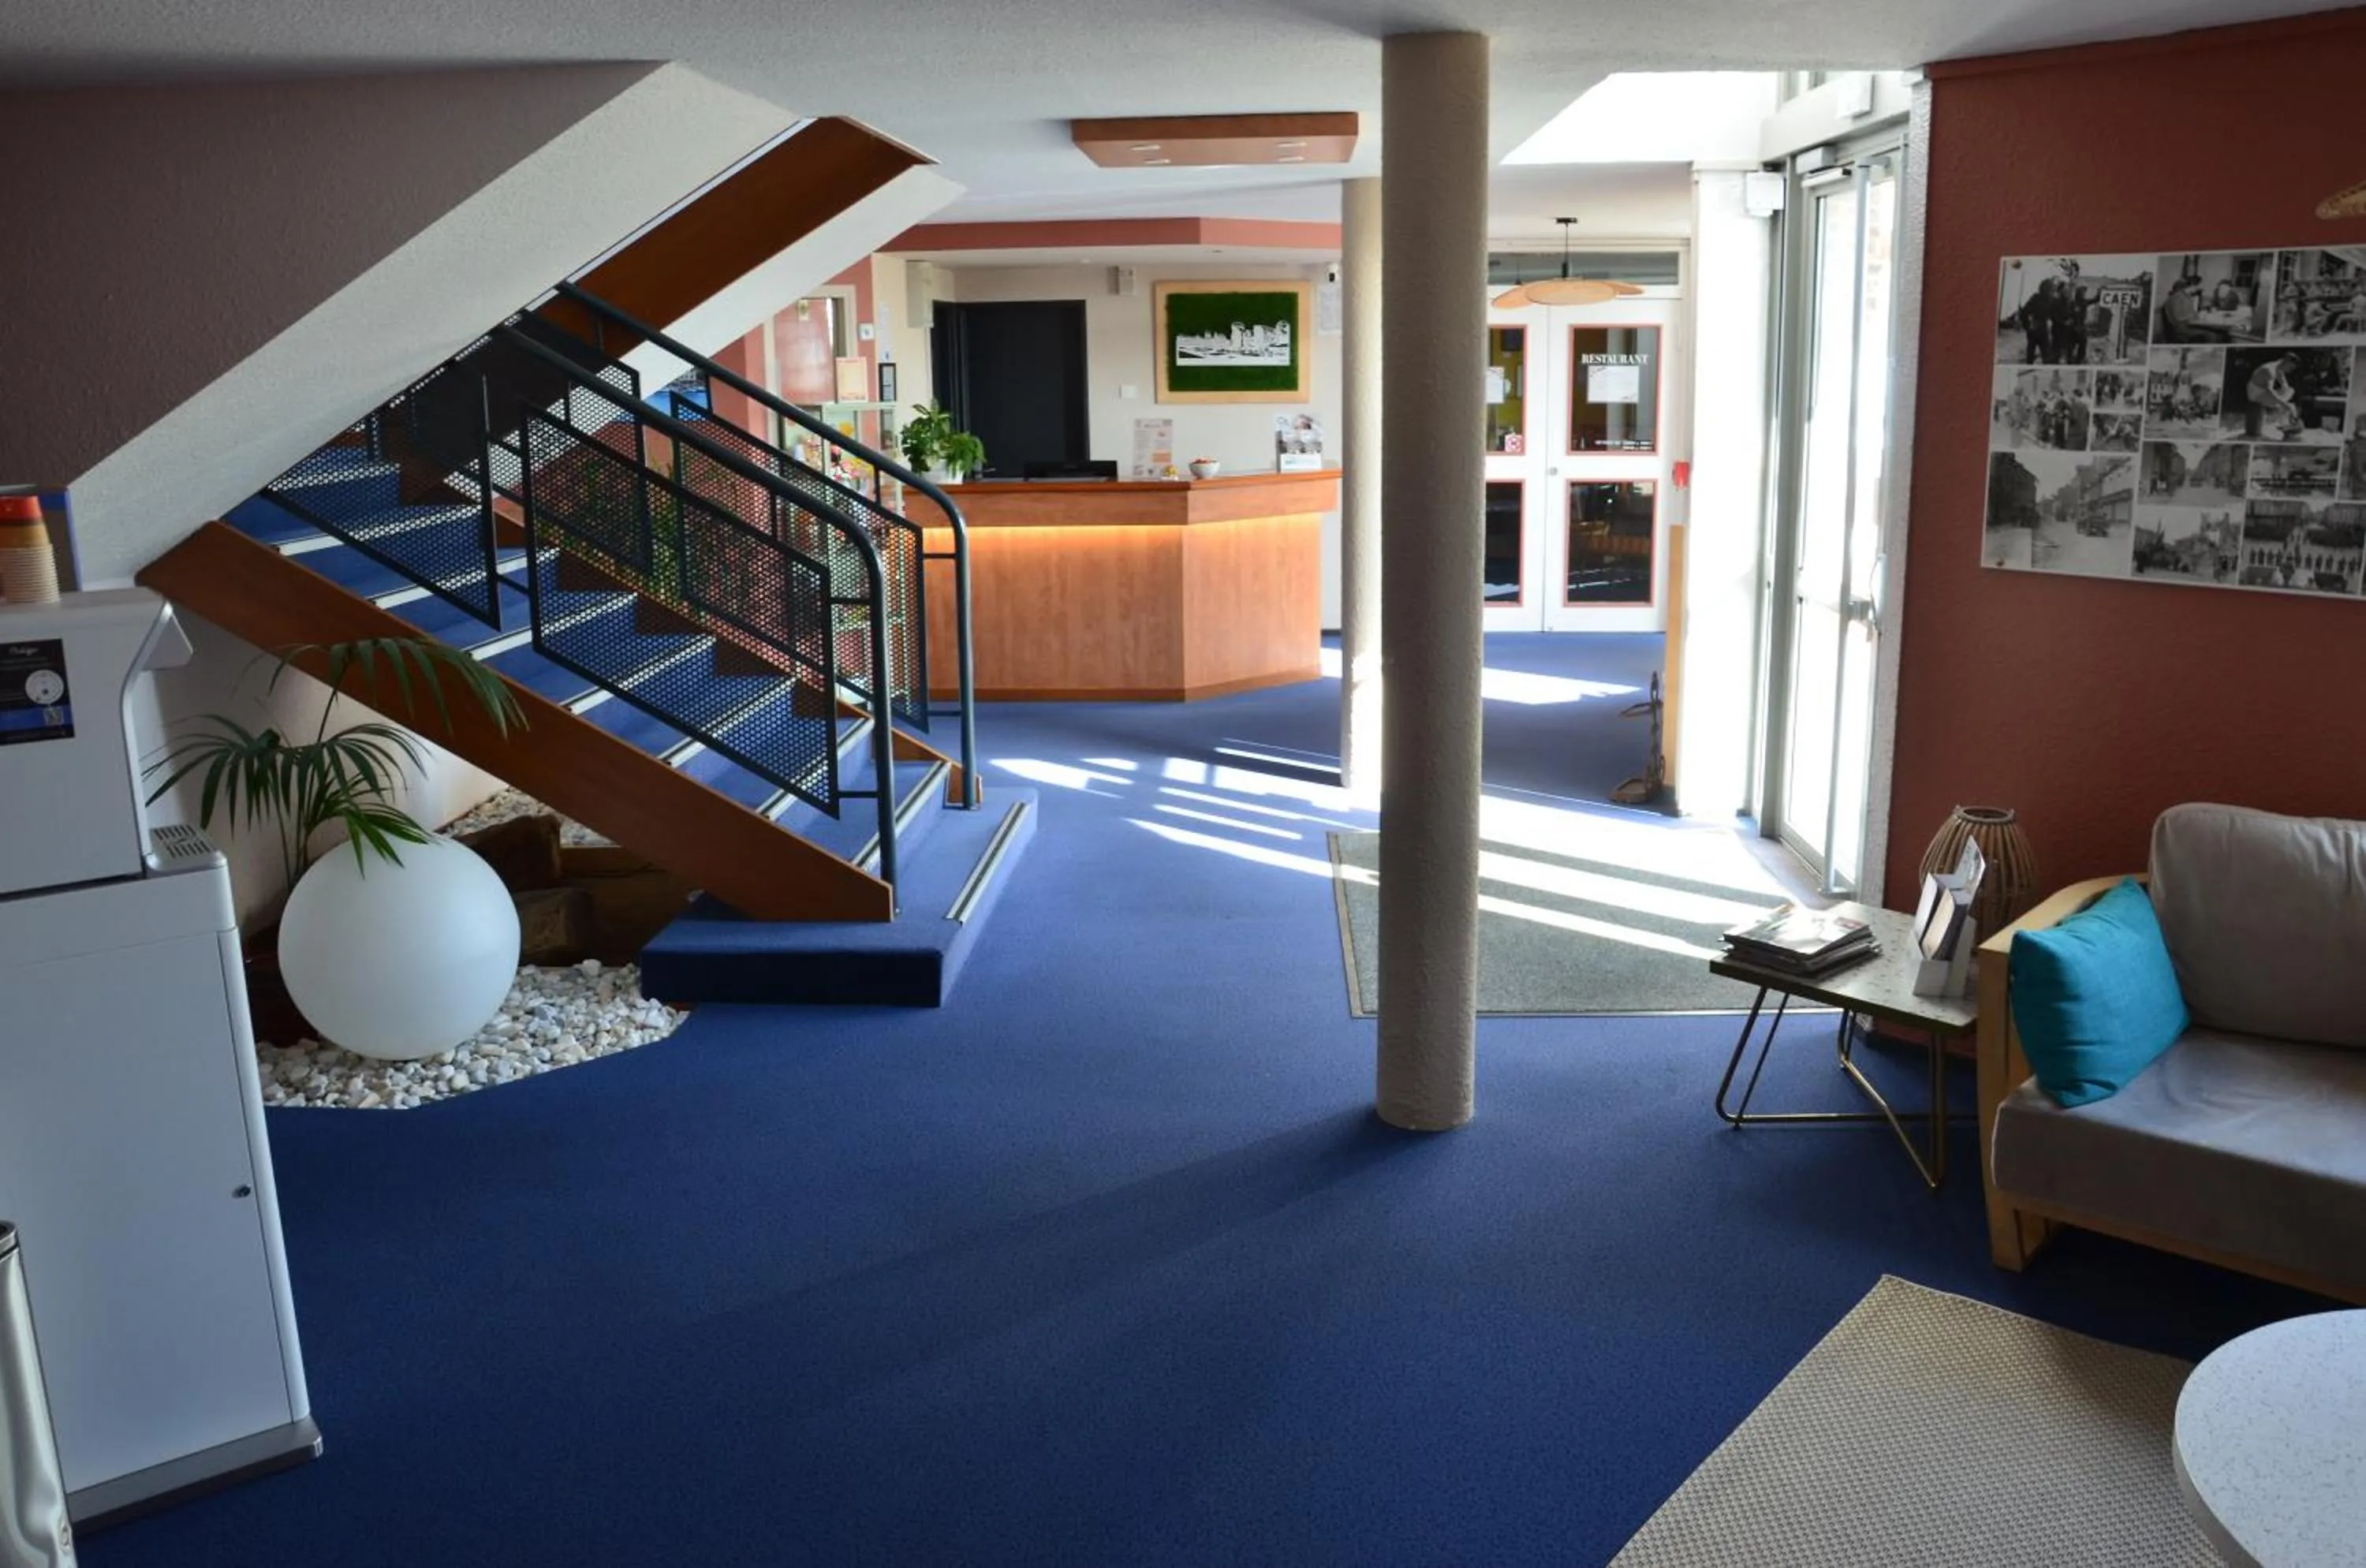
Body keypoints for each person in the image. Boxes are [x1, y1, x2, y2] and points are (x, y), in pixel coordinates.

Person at [2246, 353, 2301, 439]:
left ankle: (2285, 420)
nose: (2290, 371)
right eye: (2290, 368)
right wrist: (2283, 403)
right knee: (2287, 406)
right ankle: (2286, 424)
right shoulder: (2270, 370)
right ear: (2286, 362)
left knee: (2290, 390)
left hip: (2262, 390)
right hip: (2255, 394)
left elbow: (2283, 382)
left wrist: (2285, 392)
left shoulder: (2279, 367)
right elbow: (2270, 391)